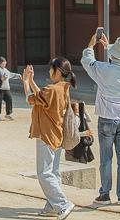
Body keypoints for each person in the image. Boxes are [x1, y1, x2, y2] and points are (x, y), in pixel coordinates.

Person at [80, 31, 120, 207]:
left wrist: (91, 44)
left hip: (106, 117)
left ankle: (105, 194)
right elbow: (117, 60)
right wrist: (108, 46)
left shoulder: (104, 70)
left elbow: (87, 61)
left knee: (106, 158)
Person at [22, 57, 77, 220]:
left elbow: (31, 99)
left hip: (46, 134)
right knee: (53, 172)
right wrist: (31, 80)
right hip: (56, 134)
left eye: (51, 69)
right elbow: (41, 96)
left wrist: (25, 81)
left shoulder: (53, 90)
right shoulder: (62, 88)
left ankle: (62, 204)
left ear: (58, 71)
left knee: (44, 173)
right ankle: (52, 205)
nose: (49, 71)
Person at [0, 56, 14, 120]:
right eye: (3, 64)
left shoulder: (5, 70)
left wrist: (18, 76)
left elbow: (10, 75)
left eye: (5, 64)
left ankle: (8, 114)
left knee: (9, 99)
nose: (4, 65)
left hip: (6, 88)